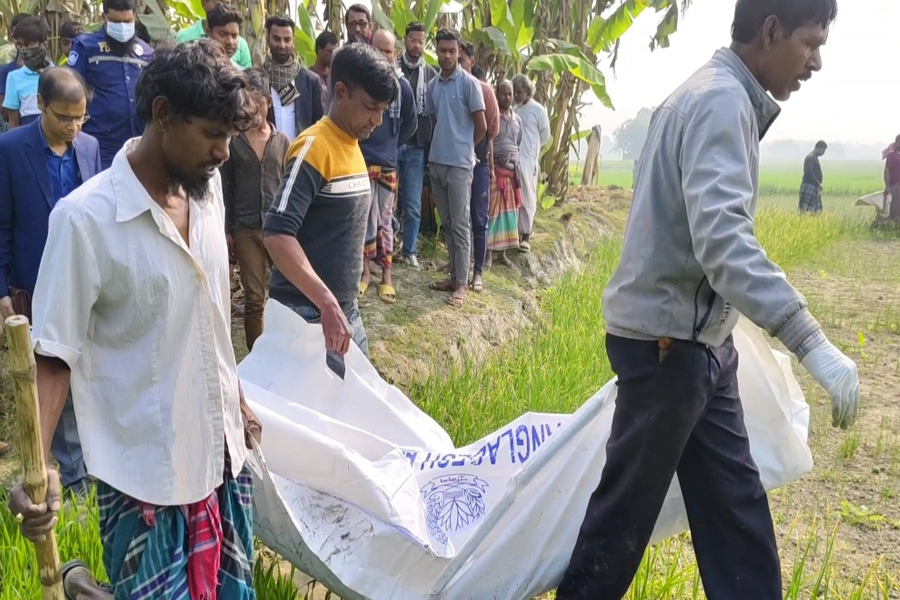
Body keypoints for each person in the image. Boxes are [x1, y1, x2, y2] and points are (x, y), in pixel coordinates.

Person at [557, 1, 860, 599]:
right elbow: (724, 242)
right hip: (669, 348)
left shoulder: (715, 93)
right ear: (771, 31)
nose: (816, 62)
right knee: (620, 523)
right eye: (811, 43)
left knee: (735, 513)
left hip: (699, 346)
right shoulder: (721, 101)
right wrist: (810, 341)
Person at [7, 40, 263, 599]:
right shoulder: (85, 221)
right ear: (163, 114)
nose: (224, 152)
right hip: (145, 475)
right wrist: (40, 466)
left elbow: (210, 311)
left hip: (223, 454)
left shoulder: (208, 189)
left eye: (230, 136)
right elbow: (53, 354)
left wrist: (235, 398)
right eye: (212, 135)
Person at [264, 43, 397, 361]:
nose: (377, 120)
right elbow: (276, 234)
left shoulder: (351, 142)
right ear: (340, 92)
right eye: (370, 107)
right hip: (306, 315)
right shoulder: (314, 147)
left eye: (383, 110)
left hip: (341, 310)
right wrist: (326, 303)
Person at [0, 67, 100, 490]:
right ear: (40, 105)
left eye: (81, 118)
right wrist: (3, 290)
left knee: (87, 369)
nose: (74, 127)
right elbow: (3, 224)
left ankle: (91, 461)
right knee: (50, 368)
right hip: (35, 279)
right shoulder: (10, 149)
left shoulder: (91, 148)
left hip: (86, 279)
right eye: (64, 117)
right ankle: (73, 473)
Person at [221, 67, 290, 350]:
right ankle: (256, 358)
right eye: (249, 103)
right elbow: (224, 189)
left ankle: (284, 350)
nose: (255, 109)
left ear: (268, 102)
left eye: (259, 102)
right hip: (245, 228)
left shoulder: (282, 141)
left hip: (278, 228)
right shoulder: (233, 143)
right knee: (253, 298)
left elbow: (288, 185)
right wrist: (226, 230)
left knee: (287, 293)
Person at [426, 28, 486, 308]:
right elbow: (436, 120)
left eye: (452, 51)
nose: (447, 55)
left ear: (459, 51)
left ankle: (461, 283)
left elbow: (482, 126)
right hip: (437, 163)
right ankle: (453, 275)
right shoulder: (433, 86)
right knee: (447, 223)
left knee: (461, 225)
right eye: (442, 50)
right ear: (436, 51)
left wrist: (465, 148)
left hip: (460, 166)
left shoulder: (470, 85)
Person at [358, 30, 416, 304]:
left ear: (395, 54)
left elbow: (410, 124)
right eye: (378, 50)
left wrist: (393, 146)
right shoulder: (362, 85)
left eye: (388, 51)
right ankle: (365, 273)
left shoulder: (402, 87)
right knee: (362, 220)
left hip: (388, 164)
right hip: (361, 162)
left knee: (384, 222)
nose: (383, 56)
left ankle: (387, 277)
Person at [68, 0, 154, 169]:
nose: (122, 26)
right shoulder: (86, 46)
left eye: (127, 21)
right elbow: (71, 90)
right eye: (116, 21)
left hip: (138, 143)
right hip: (99, 143)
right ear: (104, 17)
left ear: (135, 18)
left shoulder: (146, 52)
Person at [458, 43, 499, 292]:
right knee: (457, 218)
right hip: (455, 164)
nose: (458, 62)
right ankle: (458, 267)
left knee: (478, 218)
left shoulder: (484, 91)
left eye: (462, 58)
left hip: (478, 163)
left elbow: (491, 130)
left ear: (472, 61)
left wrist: (480, 155)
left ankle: (478, 271)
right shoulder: (448, 87)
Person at [397, 21, 436, 269]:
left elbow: (433, 115)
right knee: (384, 203)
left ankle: (409, 250)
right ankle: (383, 250)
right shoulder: (392, 67)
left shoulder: (430, 75)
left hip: (416, 147)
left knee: (412, 203)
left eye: (421, 41)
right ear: (405, 39)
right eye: (413, 40)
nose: (417, 45)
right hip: (391, 144)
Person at [263, 14, 323, 141]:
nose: (282, 45)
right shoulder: (257, 78)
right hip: (268, 156)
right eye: (276, 39)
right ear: (268, 40)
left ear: (293, 42)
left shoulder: (310, 81)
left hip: (301, 154)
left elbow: (319, 125)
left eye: (287, 39)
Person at [486, 79, 522, 269]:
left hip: (511, 173)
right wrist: (493, 164)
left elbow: (518, 143)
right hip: (496, 173)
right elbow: (489, 140)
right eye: (504, 93)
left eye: (510, 94)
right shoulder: (493, 116)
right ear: (497, 93)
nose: (507, 97)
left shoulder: (517, 120)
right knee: (493, 213)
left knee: (509, 215)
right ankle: (488, 255)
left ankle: (503, 254)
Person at [512, 74, 550, 252]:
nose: (516, 95)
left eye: (519, 92)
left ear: (528, 91)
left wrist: (532, 151)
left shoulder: (539, 110)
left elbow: (545, 135)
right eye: (515, 92)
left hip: (529, 160)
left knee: (528, 194)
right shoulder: (515, 110)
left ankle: (526, 235)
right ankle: (516, 234)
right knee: (515, 195)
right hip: (514, 158)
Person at [2, 16, 51, 128]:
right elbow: (13, 122)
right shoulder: (14, 77)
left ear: (43, 44)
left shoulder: (58, 74)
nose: (23, 50)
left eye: (29, 45)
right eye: (19, 45)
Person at [176, 0, 252, 68]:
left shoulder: (242, 45)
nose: (230, 41)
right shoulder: (185, 37)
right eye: (220, 3)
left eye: (228, 4)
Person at [0, 12, 31, 124]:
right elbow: (5, 114)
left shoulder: (48, 69)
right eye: (18, 35)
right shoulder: (7, 72)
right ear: (13, 37)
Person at [310, 30, 338, 110]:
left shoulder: (334, 76)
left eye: (334, 52)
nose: (332, 55)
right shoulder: (309, 77)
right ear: (319, 50)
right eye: (329, 52)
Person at [799, 140, 827, 213]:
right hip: (809, 186)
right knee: (804, 209)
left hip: (814, 187)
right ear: (818, 148)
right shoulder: (810, 158)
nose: (823, 153)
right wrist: (817, 184)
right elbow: (808, 172)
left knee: (816, 210)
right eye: (823, 150)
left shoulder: (814, 158)